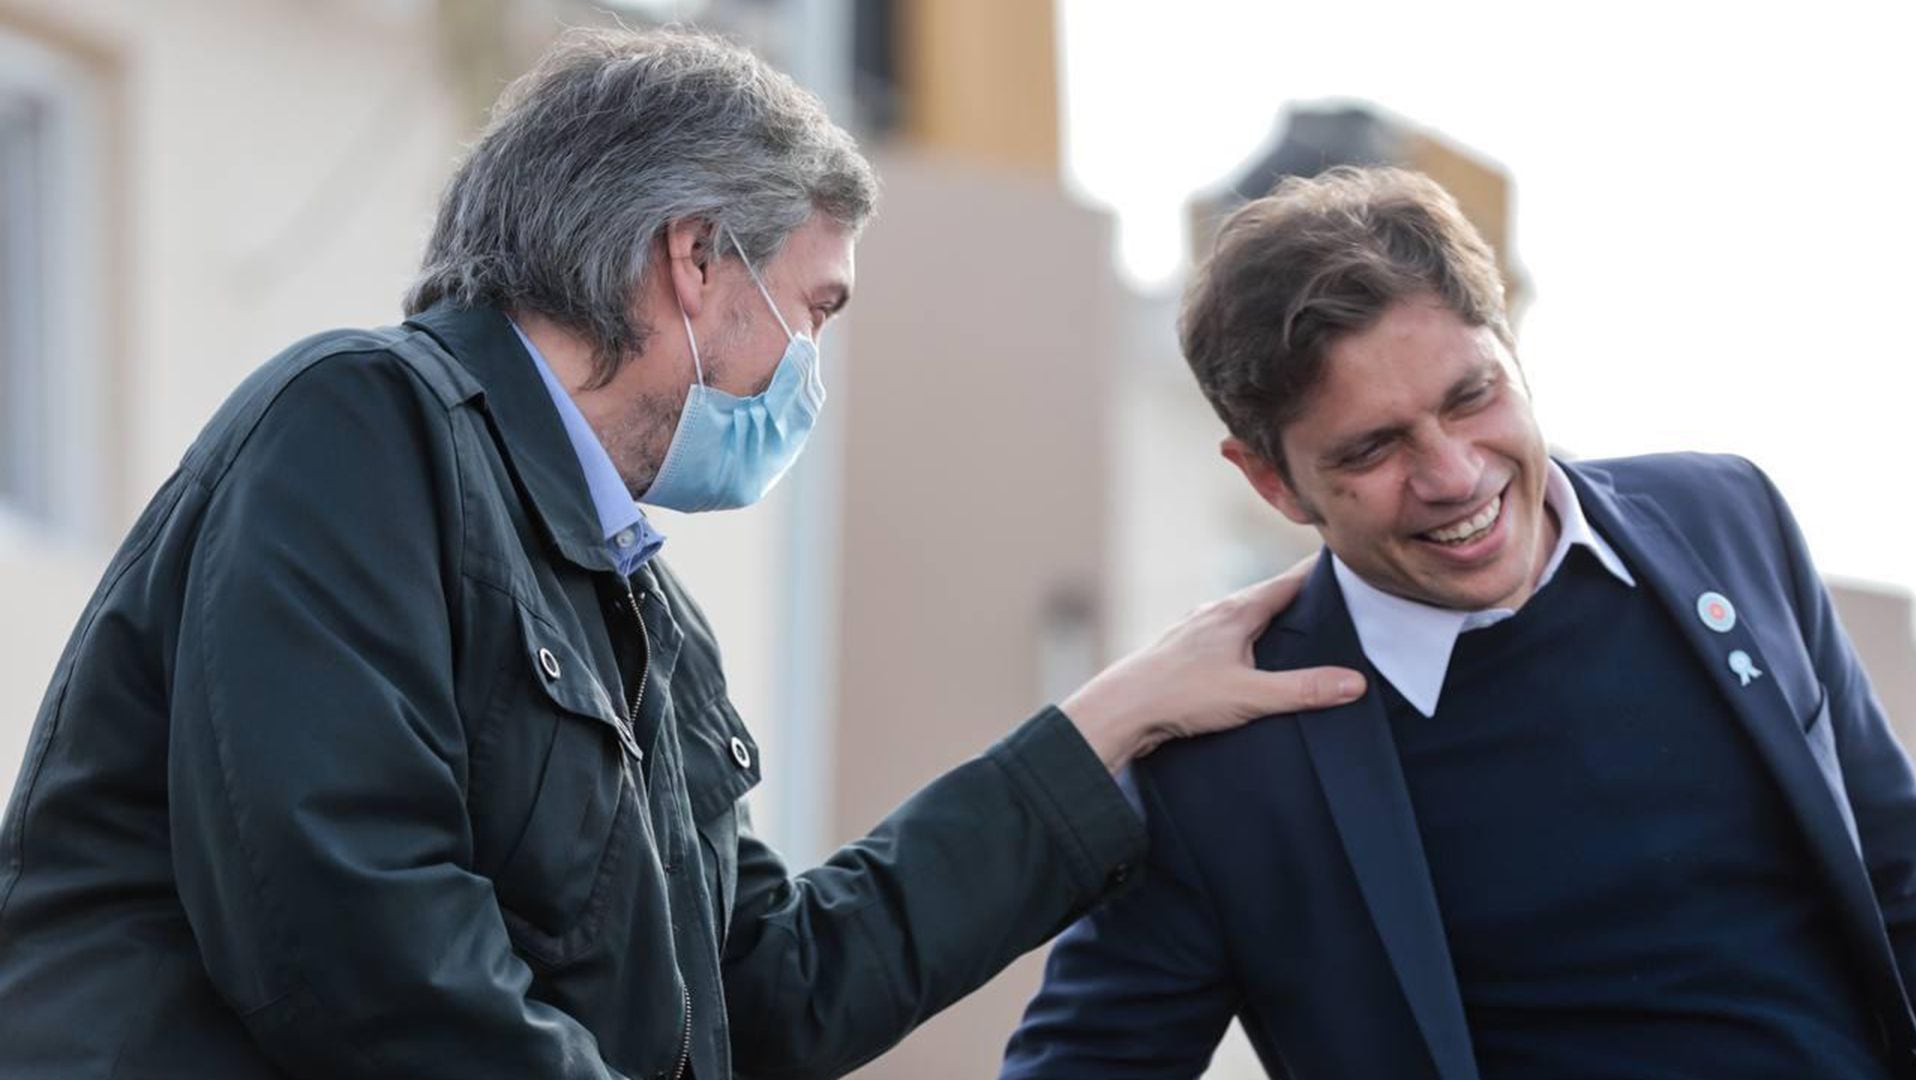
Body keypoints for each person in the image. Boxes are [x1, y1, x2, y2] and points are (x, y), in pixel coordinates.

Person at [0, 27, 1367, 1080]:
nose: (813, 368)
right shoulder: (362, 426)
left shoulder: (640, 606)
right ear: (699, 260)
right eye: (815, 307)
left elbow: (768, 990)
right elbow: (359, 942)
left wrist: (1114, 722)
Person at [1001, 166, 1916, 1079]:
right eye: (1373, 447)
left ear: (1510, 346)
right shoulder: (1220, 767)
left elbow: (1900, 878)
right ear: (1269, 480)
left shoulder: (1728, 517)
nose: (1453, 475)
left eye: (1471, 397)